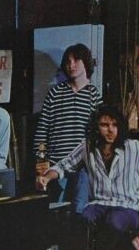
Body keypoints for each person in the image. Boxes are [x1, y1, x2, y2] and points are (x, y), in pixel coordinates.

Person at [37, 103, 139, 236]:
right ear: (95, 127)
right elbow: (64, 165)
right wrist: (47, 177)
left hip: (126, 206)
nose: (110, 130)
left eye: (115, 125)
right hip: (98, 204)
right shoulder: (88, 147)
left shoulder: (132, 147)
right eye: (104, 125)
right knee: (82, 220)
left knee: (113, 222)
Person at [31, 43, 101, 211]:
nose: (71, 65)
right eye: (68, 62)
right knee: (56, 212)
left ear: (86, 63)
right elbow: (41, 134)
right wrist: (42, 167)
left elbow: (99, 134)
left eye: (76, 60)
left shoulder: (93, 94)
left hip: (84, 169)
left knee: (80, 212)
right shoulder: (54, 94)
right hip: (56, 167)